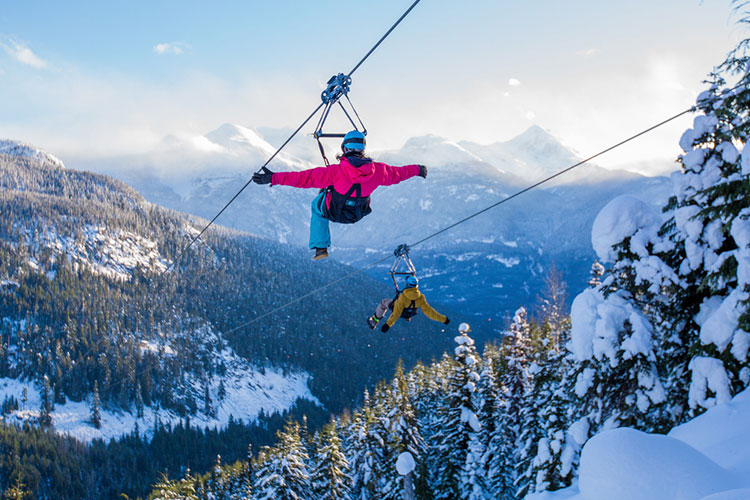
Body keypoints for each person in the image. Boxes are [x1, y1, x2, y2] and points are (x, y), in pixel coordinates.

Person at [252, 130, 427, 260]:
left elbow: (302, 179)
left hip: (334, 211)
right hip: (356, 214)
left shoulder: (335, 172)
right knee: (328, 197)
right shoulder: (379, 171)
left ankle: (321, 248)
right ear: (363, 149)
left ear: (344, 148)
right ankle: (321, 246)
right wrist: (418, 169)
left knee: (316, 205)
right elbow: (399, 173)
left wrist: (273, 177)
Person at [367, 275, 450, 332]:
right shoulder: (420, 297)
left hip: (400, 310)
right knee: (406, 308)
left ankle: (374, 321)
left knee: (383, 303)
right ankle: (407, 316)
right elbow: (429, 312)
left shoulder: (403, 297)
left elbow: (396, 313)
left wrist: (387, 325)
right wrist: (443, 319)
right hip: (410, 313)